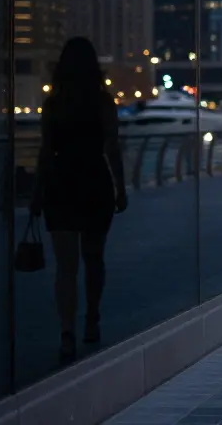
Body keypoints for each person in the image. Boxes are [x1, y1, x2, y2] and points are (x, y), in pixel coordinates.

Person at [30, 37, 127, 362]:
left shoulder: (53, 105)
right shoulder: (103, 103)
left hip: (60, 183)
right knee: (94, 258)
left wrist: (37, 193)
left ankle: (67, 333)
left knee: (65, 267)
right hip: (94, 182)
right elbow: (112, 148)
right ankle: (92, 319)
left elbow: (45, 153)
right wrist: (121, 188)